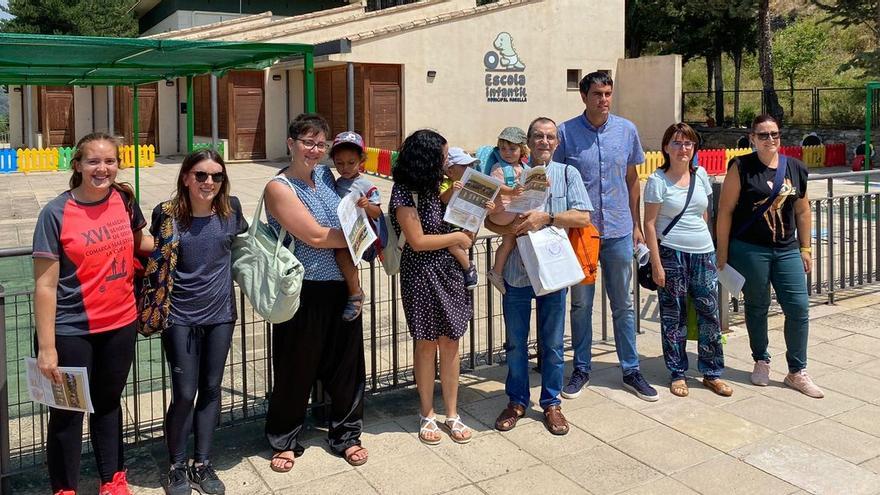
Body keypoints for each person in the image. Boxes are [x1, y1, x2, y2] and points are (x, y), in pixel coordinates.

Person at [32, 132, 153, 495]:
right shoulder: (55, 213)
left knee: (108, 404)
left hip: (121, 324)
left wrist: (182, 232)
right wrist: (47, 346)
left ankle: (112, 479)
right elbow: (45, 286)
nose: (103, 168)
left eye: (110, 161)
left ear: (118, 164)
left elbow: (140, 242)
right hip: (72, 331)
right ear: (78, 165)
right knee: (68, 414)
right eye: (94, 161)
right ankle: (65, 488)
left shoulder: (125, 200)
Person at [263, 113, 368, 472]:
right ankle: (285, 438)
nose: (314, 150)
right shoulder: (280, 187)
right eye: (308, 142)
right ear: (291, 143)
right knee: (296, 366)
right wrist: (362, 238)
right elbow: (316, 236)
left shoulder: (325, 176)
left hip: (339, 285)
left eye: (320, 144)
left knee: (347, 367)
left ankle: (347, 434)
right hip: (303, 289)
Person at [554, 71, 658, 402]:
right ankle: (581, 368)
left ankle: (631, 369)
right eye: (598, 93)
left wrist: (637, 225)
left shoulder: (627, 131)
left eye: (608, 93)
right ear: (584, 96)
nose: (604, 100)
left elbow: (632, 179)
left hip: (618, 230)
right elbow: (555, 179)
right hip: (581, 233)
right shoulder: (566, 133)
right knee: (581, 303)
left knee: (623, 304)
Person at [487, 117, 592, 435]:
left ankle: (551, 403)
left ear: (557, 143)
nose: (544, 142)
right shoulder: (513, 177)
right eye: (538, 136)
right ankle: (516, 401)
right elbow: (491, 223)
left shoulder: (567, 174)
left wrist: (547, 217)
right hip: (518, 274)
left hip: (553, 273)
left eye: (550, 137)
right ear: (528, 142)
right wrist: (513, 225)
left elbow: (583, 217)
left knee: (554, 344)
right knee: (516, 344)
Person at [157, 149, 247, 495]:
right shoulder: (167, 215)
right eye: (201, 175)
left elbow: (245, 245)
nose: (209, 182)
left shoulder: (232, 210)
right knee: (184, 393)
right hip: (179, 317)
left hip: (220, 315)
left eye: (216, 176)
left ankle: (202, 463)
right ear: (186, 177)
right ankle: (176, 465)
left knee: (210, 390)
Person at [716, 114, 823, 398]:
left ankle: (797, 370)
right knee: (757, 305)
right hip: (751, 249)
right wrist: (722, 253)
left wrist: (806, 247)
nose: (770, 140)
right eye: (763, 135)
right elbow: (725, 211)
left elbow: (802, 210)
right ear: (752, 138)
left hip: (786, 249)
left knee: (799, 307)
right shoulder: (741, 167)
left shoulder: (795, 168)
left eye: (774, 134)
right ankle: (761, 359)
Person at [390, 130, 475, 445]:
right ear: (427, 158)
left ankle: (452, 413)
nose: (445, 160)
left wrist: (468, 205)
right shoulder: (403, 192)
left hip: (449, 272)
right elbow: (418, 240)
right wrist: (456, 239)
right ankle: (427, 413)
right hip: (420, 273)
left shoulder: (437, 187)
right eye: (442, 154)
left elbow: (453, 223)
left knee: (450, 342)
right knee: (426, 343)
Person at [643, 123, 731, 398]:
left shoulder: (701, 175)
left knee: (709, 315)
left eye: (688, 144)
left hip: (702, 252)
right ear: (666, 148)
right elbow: (649, 224)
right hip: (671, 253)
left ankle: (711, 371)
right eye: (677, 143)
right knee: (674, 315)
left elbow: (703, 214)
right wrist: (656, 264)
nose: (683, 149)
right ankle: (677, 371)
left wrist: (712, 247)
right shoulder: (658, 181)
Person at [330, 131, 382, 321]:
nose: (345, 168)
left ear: (361, 160)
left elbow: (378, 213)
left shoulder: (366, 185)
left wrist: (367, 206)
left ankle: (355, 293)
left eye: (351, 163)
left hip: (358, 234)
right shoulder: (335, 182)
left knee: (343, 255)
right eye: (339, 163)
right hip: (341, 231)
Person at [485, 127, 529, 294]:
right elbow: (495, 185)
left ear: (522, 150)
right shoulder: (498, 167)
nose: (507, 153)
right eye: (503, 148)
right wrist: (511, 191)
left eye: (512, 149)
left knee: (509, 241)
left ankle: (497, 272)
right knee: (522, 227)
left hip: (509, 210)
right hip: (502, 211)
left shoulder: (524, 167)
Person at [438, 147, 481, 289]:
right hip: (452, 223)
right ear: (450, 171)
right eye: (464, 166)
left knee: (460, 242)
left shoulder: (472, 185)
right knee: (453, 244)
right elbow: (443, 199)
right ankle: (468, 267)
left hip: (466, 222)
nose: (469, 169)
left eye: (471, 165)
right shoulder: (447, 184)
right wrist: (452, 189)